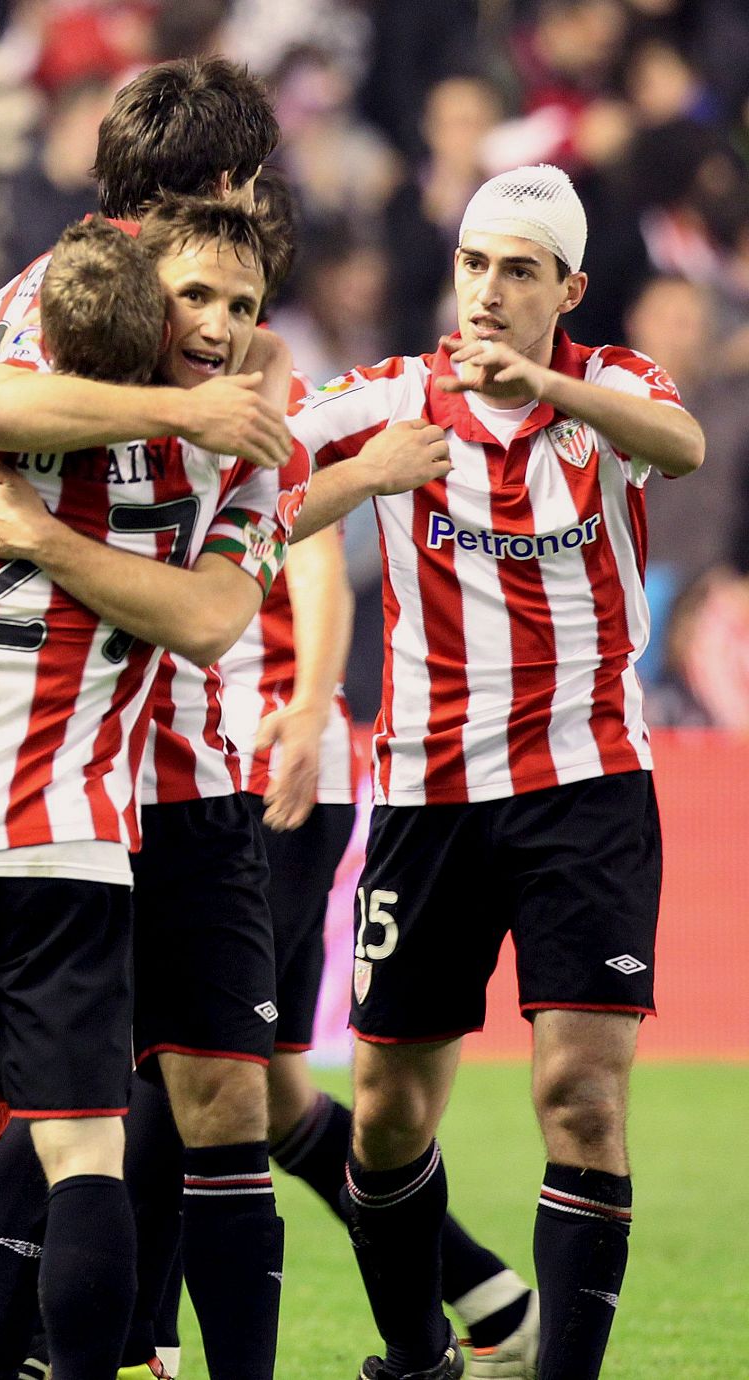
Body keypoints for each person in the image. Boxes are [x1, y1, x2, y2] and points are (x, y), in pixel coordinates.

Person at [0, 200, 304, 1380]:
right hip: (70, 839)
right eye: (197, 297)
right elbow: (205, 611)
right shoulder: (233, 467)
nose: (220, 326)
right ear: (146, 300)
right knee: (83, 1156)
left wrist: (37, 532)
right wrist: (196, 415)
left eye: (243, 306)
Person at [287, 163, 705, 1380]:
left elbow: (677, 444)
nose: (487, 290)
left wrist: (552, 384)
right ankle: (416, 1356)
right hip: (425, 793)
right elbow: (255, 485)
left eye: (518, 270)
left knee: (581, 1096)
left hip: (586, 787)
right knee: (384, 1110)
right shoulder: (393, 399)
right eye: (474, 263)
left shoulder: (615, 391)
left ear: (566, 289)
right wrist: (362, 475)